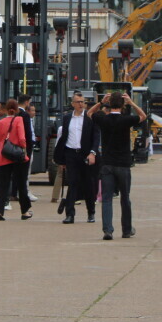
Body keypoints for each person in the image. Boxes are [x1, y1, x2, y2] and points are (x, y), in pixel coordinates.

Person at [89, 91, 146, 240]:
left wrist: (101, 102)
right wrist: (132, 103)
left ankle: (108, 230)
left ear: (109, 104)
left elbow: (89, 113)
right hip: (123, 163)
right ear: (122, 105)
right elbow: (143, 116)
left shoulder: (103, 119)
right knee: (125, 197)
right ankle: (126, 229)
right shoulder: (126, 119)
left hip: (107, 163)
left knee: (107, 198)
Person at [54, 91, 100, 224]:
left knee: (88, 184)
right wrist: (61, 159)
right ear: (72, 103)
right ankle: (70, 214)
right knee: (72, 183)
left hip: (85, 154)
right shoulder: (67, 118)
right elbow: (63, 137)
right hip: (71, 154)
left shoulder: (90, 117)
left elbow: (96, 137)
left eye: (83, 102)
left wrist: (93, 153)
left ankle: (91, 212)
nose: (81, 104)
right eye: (78, 102)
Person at [0, 98, 32, 221]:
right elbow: (21, 137)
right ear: (16, 109)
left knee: (2, 184)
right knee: (21, 183)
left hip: (3, 154)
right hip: (17, 155)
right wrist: (24, 150)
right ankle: (24, 211)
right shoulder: (19, 119)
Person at [18, 94, 39, 202]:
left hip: (19, 146)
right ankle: (25, 192)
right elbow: (27, 133)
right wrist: (28, 146)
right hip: (25, 147)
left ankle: (17, 192)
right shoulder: (24, 115)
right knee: (25, 171)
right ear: (26, 102)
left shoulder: (16, 114)